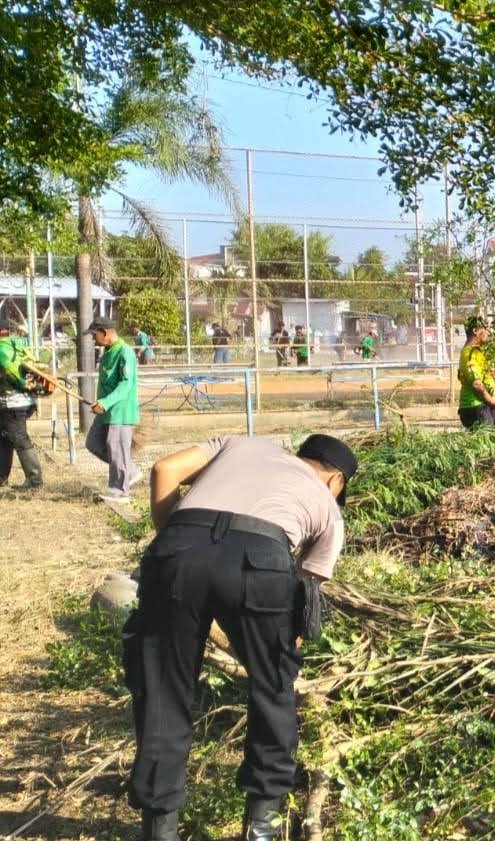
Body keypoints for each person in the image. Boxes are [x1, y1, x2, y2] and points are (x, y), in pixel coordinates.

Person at [121, 432, 357, 841]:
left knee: (163, 691)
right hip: (262, 561)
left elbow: (165, 469)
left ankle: (159, 829)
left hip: (179, 545)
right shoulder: (329, 511)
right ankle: (260, 827)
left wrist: (175, 547)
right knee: (273, 688)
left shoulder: (244, 443)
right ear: (335, 481)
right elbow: (305, 600)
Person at [83, 319, 141, 502]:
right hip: (106, 412)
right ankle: (130, 470)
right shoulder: (107, 353)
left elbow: (125, 385)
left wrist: (106, 403)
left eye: (95, 335)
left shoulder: (125, 353)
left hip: (120, 412)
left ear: (105, 332)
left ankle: (120, 491)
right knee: (93, 443)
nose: (94, 339)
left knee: (117, 450)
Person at [0, 317, 44, 489]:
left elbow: (10, 371)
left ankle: (35, 481)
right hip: (24, 401)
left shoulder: (2, 350)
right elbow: (35, 363)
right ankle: (2, 477)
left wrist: (23, 384)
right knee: (4, 438)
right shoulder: (17, 346)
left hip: (12, 402)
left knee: (19, 438)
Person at [457, 315, 495, 428]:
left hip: (485, 404)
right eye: (484, 328)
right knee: (490, 441)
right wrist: (493, 402)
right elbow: (477, 384)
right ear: (475, 331)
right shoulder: (470, 354)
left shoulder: (478, 351)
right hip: (474, 407)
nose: (488, 331)